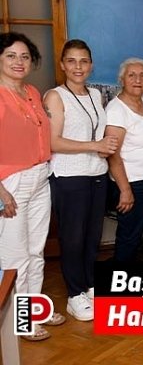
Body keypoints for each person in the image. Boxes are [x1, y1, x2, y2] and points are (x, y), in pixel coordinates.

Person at [44, 39, 117, 322]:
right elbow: (53, 142)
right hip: (69, 175)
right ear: (63, 65)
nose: (78, 67)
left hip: (96, 174)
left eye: (84, 61)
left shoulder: (96, 94)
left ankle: (89, 285)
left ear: (91, 65)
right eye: (72, 61)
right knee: (73, 238)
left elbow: (98, 134)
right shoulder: (55, 96)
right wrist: (94, 146)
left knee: (92, 236)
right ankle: (74, 295)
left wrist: (102, 148)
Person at [0, 32, 65, 341]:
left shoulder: (32, 92)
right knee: (15, 256)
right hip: (11, 183)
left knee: (36, 250)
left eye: (25, 56)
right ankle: (21, 321)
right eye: (11, 55)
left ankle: (35, 309)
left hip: (40, 176)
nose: (19, 61)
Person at [105, 58, 143, 261]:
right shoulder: (116, 110)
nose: (137, 80)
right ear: (122, 79)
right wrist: (125, 190)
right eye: (131, 75)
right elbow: (113, 155)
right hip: (133, 182)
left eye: (142, 75)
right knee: (130, 234)